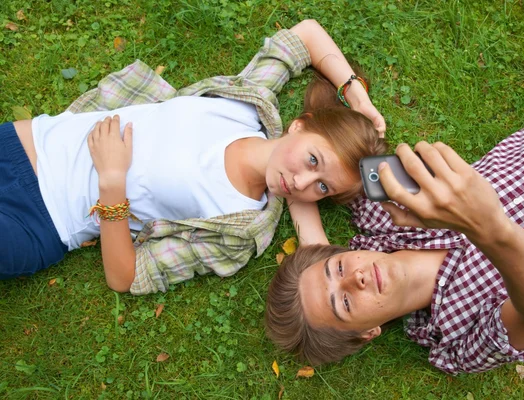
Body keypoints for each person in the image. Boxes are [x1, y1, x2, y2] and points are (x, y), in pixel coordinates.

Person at [0, 20, 387, 293]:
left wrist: (112, 183)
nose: (301, 181)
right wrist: (357, 95)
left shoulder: (238, 231)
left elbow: (126, 276)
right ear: (300, 125)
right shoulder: (247, 104)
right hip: (25, 141)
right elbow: (306, 34)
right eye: (313, 160)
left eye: (321, 186)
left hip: (39, 222)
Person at [265, 74, 524, 374]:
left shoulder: (381, 212)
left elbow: (317, 155)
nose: (357, 277)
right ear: (368, 334)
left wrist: (354, 95)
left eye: (337, 269)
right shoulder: (458, 341)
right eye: (346, 303)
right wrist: (488, 227)